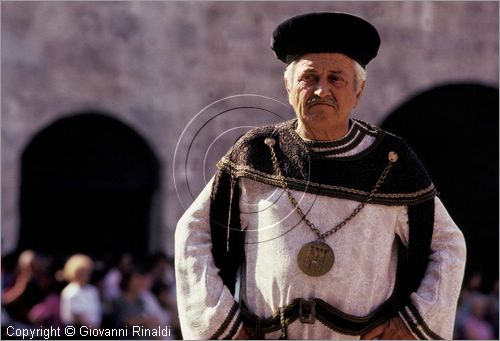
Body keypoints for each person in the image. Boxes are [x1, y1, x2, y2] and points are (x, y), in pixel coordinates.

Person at [175, 12, 466, 339]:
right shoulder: (256, 153)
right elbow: (192, 233)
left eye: (335, 79)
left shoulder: (392, 162)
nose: (320, 90)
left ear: (359, 91)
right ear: (288, 86)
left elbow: (448, 245)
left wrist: (412, 323)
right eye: (308, 78)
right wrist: (220, 326)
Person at [60, 254, 102, 327]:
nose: (84, 274)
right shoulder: (70, 291)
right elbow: (79, 317)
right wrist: (96, 332)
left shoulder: (92, 290)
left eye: (87, 271)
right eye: (81, 271)